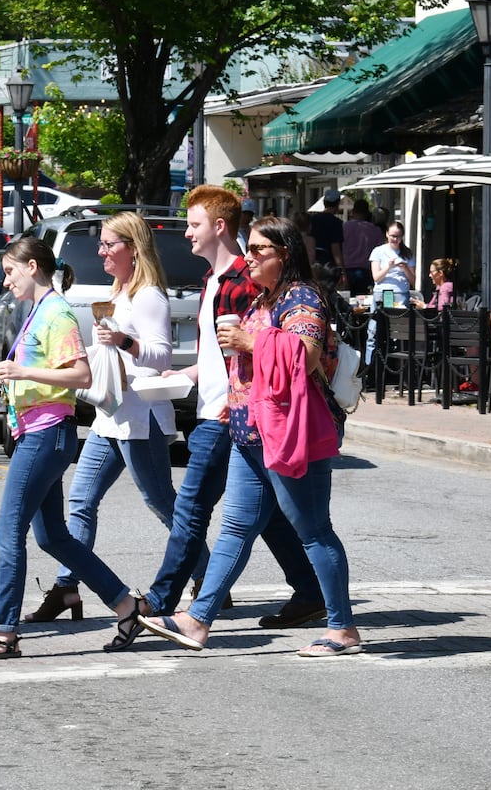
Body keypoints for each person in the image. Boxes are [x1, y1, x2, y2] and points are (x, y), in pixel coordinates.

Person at [137, 215, 360, 657]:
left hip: (291, 432)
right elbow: (262, 371)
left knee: (314, 530)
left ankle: (342, 629)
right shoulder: (262, 299)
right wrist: (236, 398)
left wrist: (249, 342)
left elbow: (307, 356)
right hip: (249, 430)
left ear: (286, 255)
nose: (251, 256)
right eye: (251, 248)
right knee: (236, 528)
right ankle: (198, 620)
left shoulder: (302, 299)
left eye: (260, 250)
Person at [0, 237, 145, 660]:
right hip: (39, 431)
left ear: (32, 267)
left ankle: (3, 635)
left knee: (9, 532)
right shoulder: (39, 311)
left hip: (47, 433)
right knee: (53, 537)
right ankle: (126, 606)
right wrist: (8, 378)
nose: (6, 281)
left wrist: (21, 369)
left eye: (10, 271)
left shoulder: (56, 312)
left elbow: (81, 376)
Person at [25, 213, 181, 623]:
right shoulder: (122, 290)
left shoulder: (149, 295)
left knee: (162, 502)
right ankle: (66, 588)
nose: (101, 251)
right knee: (81, 500)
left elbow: (162, 355)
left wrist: (123, 341)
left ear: (133, 247)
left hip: (140, 418)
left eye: (110, 244)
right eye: (102, 244)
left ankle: (206, 573)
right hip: (110, 415)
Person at [365, 221, 415, 364]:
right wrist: (388, 267)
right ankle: (371, 366)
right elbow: (376, 277)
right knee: (375, 330)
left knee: (399, 332)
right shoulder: (378, 251)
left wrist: (405, 268)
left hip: (400, 294)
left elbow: (413, 280)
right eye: (393, 236)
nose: (395, 239)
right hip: (384, 293)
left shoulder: (407, 253)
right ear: (387, 234)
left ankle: (398, 368)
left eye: (398, 237)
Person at [341, 199, 383, 295]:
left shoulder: (344, 227)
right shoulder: (375, 230)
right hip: (366, 269)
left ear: (353, 211)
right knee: (363, 301)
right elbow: (381, 250)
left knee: (347, 298)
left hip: (347, 269)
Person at [308, 189, 345, 271]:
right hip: (328, 263)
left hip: (312, 260)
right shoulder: (337, 223)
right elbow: (335, 247)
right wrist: (342, 270)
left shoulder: (312, 219)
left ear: (324, 203)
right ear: (337, 204)